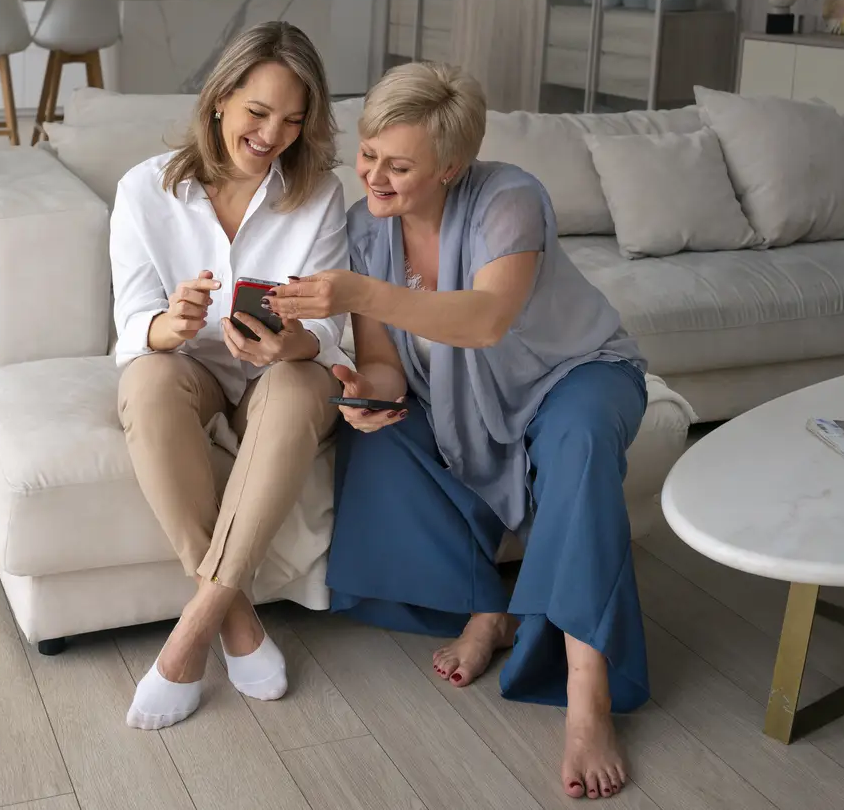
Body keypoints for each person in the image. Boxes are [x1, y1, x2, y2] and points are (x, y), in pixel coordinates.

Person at [267, 61, 650, 800]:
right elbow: (384, 363)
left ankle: (586, 689)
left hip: (569, 377)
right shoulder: (363, 231)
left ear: (452, 166)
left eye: (398, 165)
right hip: (453, 399)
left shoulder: (509, 199)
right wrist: (365, 393)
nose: (373, 177)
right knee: (375, 436)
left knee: (579, 445)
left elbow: (485, 318)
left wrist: (358, 291)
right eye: (369, 154)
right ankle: (488, 606)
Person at [111, 21, 350, 731]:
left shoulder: (319, 195)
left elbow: (334, 334)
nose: (272, 134)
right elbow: (131, 321)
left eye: (292, 120)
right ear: (219, 99)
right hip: (192, 375)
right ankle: (236, 615)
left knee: (306, 383)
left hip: (275, 382)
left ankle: (191, 633)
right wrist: (170, 324)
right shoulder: (145, 189)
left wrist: (294, 344)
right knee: (147, 379)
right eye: (257, 112)